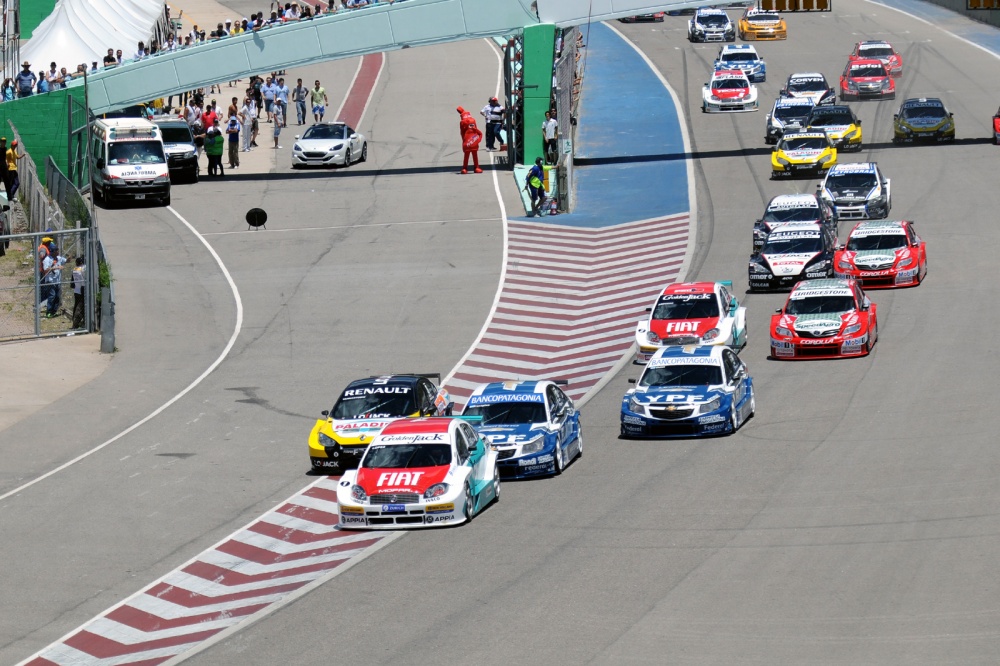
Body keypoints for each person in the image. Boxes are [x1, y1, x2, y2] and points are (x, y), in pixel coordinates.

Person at [456, 106, 483, 174]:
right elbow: (478, 132)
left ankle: (465, 168)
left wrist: (464, 141)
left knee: (466, 156)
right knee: (474, 155)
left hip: (468, 141)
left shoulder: (462, 122)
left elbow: (462, 133)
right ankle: (476, 167)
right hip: (473, 141)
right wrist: (477, 140)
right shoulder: (472, 120)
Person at [41, 245, 65, 318]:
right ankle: (49, 311)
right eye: (56, 250)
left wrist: (70, 256)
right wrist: (56, 267)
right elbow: (45, 270)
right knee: (52, 296)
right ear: (53, 251)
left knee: (57, 297)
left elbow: (67, 260)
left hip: (57, 281)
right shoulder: (47, 260)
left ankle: (54, 311)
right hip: (50, 281)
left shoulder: (58, 258)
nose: (58, 251)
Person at [72, 255, 86, 329]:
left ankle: (74, 321)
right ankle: (76, 323)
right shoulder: (83, 269)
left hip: (76, 290)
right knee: (80, 307)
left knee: (76, 306)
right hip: (82, 289)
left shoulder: (75, 269)